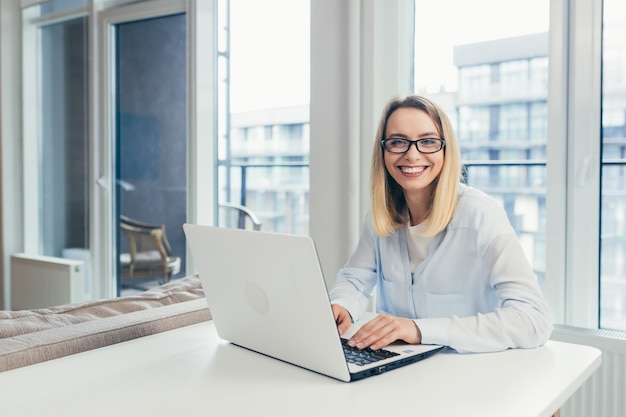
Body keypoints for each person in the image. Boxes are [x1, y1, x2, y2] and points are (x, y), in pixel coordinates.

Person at [329, 94, 553, 354]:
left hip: (468, 374)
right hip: (398, 370)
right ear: (384, 151)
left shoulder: (481, 214)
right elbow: (354, 279)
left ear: (446, 150)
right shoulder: (382, 216)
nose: (412, 155)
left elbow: (533, 319)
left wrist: (418, 330)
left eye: (427, 142)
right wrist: (341, 304)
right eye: (398, 142)